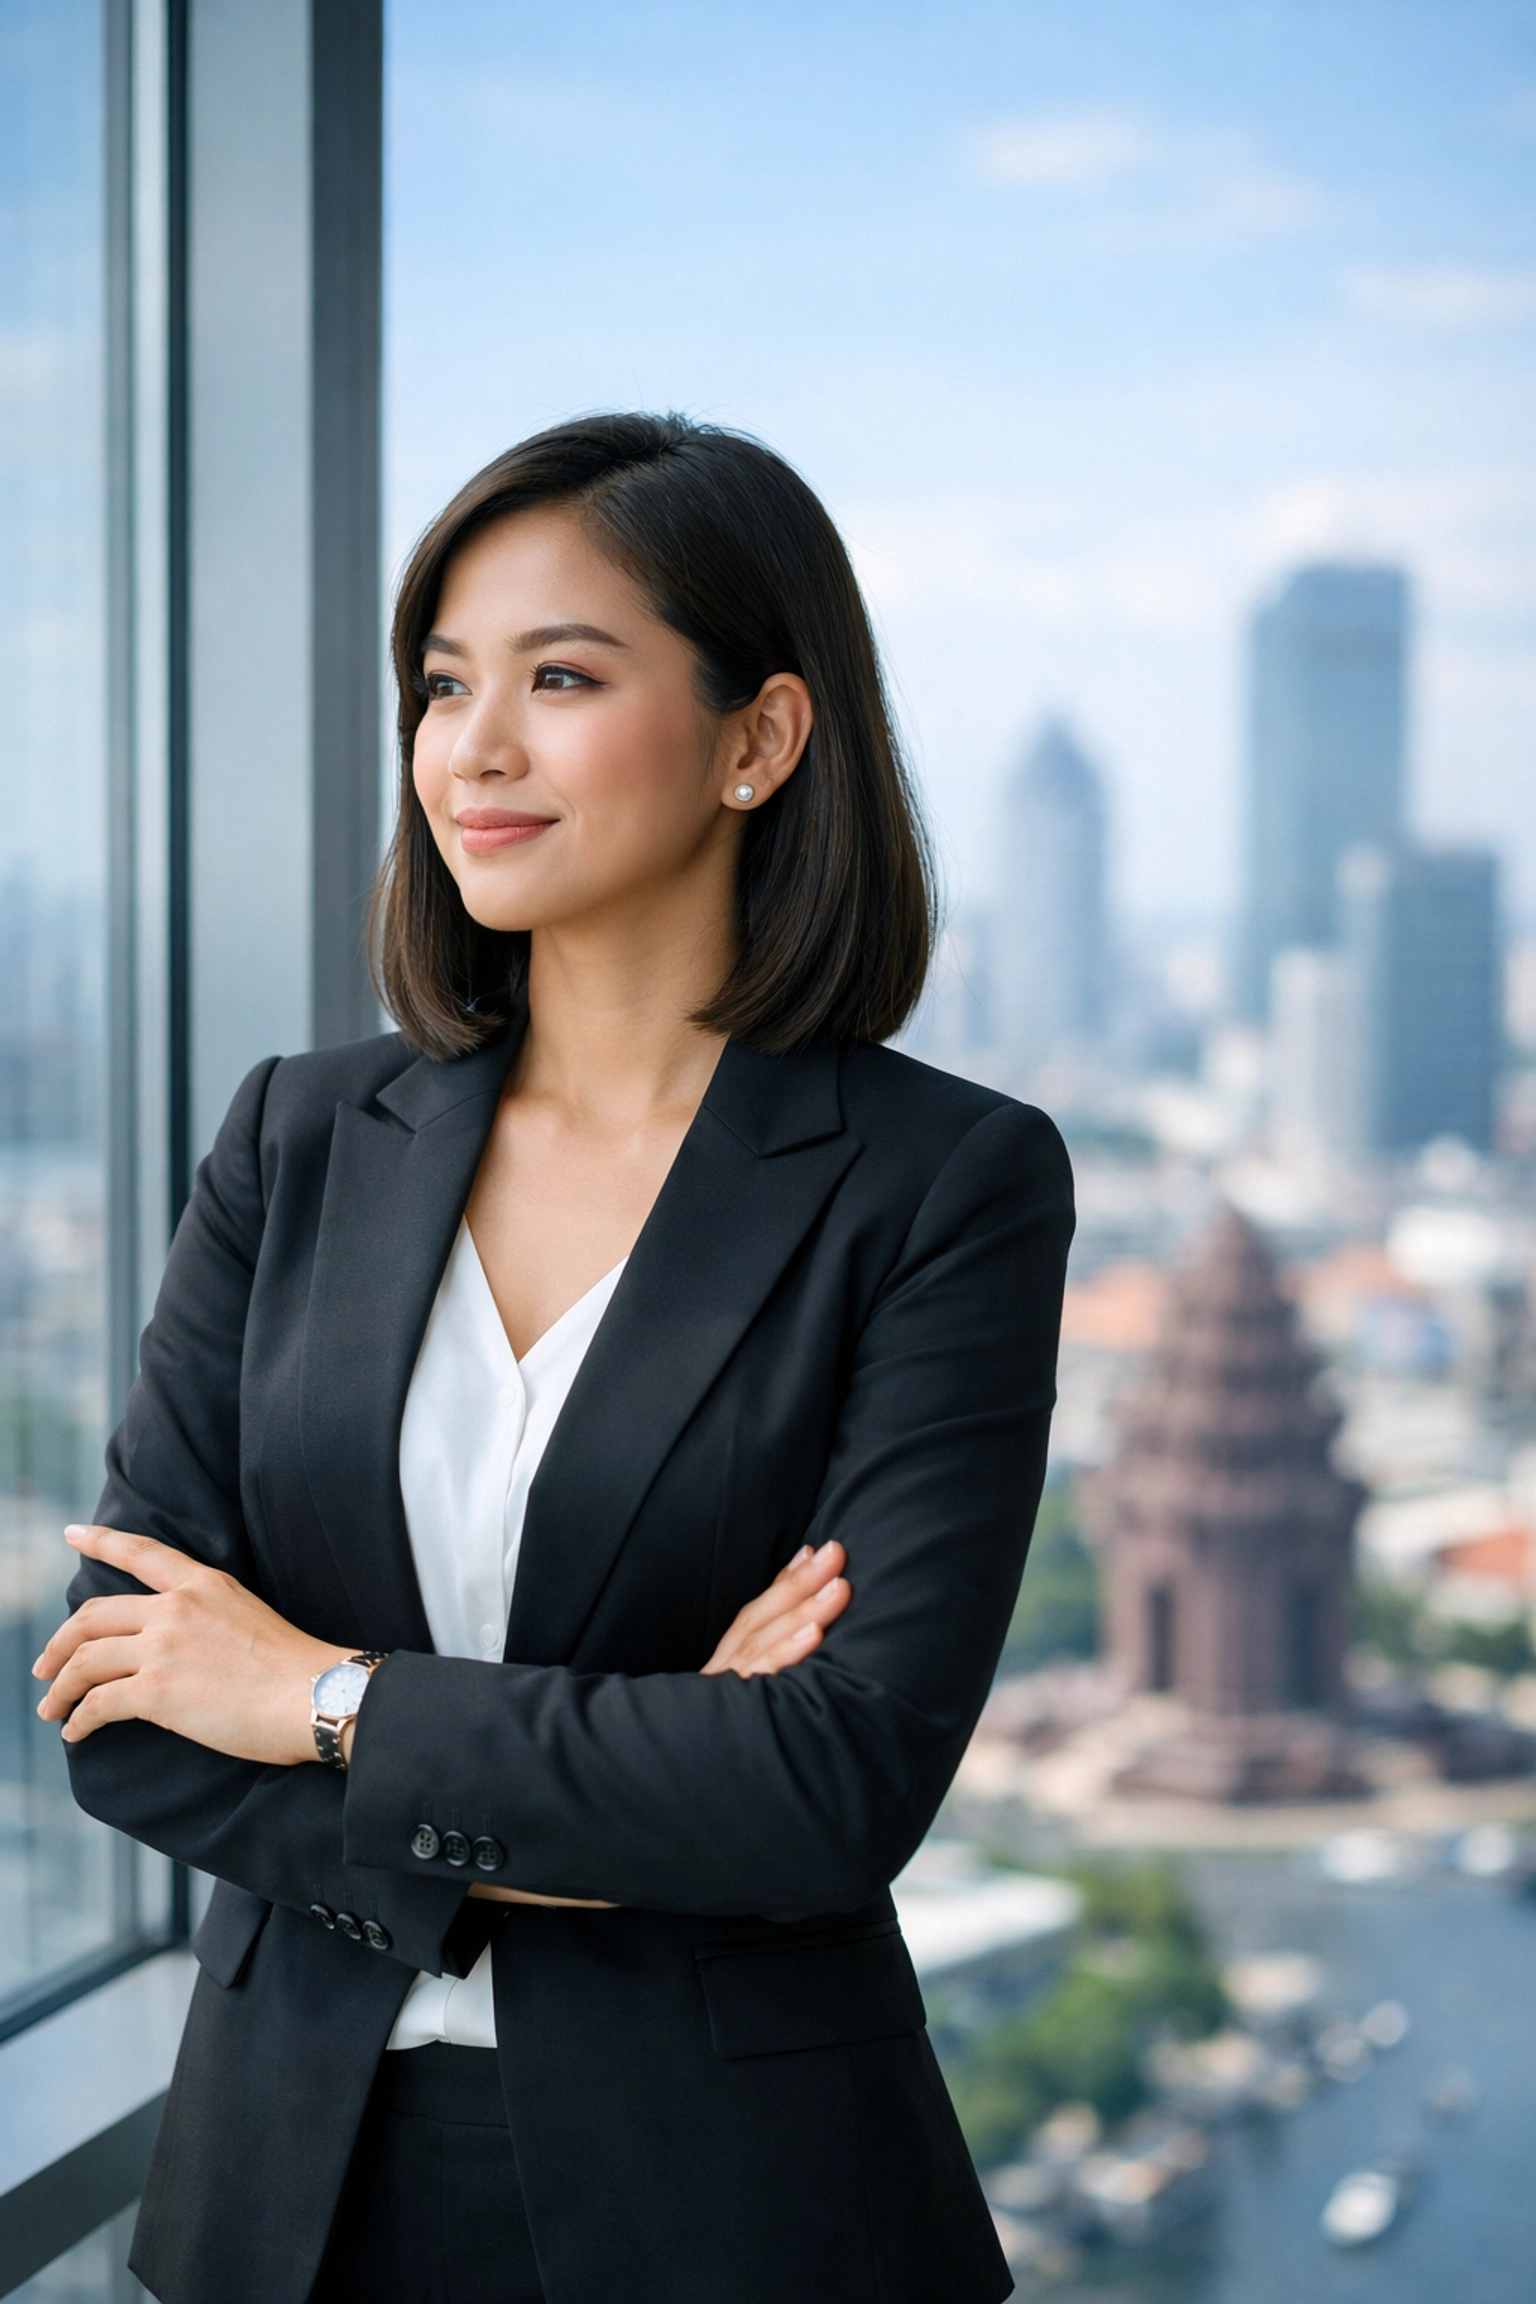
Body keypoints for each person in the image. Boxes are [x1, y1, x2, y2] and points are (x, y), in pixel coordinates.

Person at [35, 413, 1073, 2304]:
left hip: (741, 2209)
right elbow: (125, 1706)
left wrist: (326, 1698)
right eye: (444, 686)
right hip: (282, 2200)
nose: (473, 749)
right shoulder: (298, 1140)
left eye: (562, 678)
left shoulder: (945, 1184)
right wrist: (633, 1793)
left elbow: (832, 1787)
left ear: (761, 737)